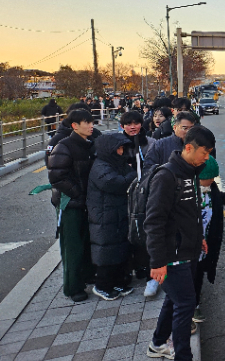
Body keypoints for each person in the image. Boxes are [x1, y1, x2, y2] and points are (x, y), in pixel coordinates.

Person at [144, 125, 215, 361]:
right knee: (186, 304)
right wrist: (157, 262)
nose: (206, 158)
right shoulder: (167, 176)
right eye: (204, 153)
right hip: (171, 255)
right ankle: (183, 358)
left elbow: (190, 212)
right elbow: (153, 221)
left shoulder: (191, 172)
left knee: (175, 299)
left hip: (188, 249)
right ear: (188, 147)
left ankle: (157, 343)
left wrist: (199, 238)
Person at [141, 111, 195, 298]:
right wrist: (166, 177)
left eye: (191, 128)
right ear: (174, 127)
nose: (188, 132)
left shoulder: (196, 147)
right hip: (165, 200)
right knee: (162, 237)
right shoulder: (161, 146)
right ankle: (155, 278)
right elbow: (149, 168)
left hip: (185, 209)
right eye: (184, 128)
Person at [47, 109, 98, 302]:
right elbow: (56, 176)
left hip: (86, 203)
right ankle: (72, 287)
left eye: (92, 122)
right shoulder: (64, 146)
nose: (91, 126)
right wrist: (78, 193)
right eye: (87, 122)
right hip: (71, 205)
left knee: (86, 242)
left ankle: (86, 276)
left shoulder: (88, 145)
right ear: (75, 125)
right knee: (72, 246)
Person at [86, 132, 137, 300]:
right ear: (109, 149)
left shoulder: (116, 163)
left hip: (117, 214)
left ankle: (118, 282)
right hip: (104, 216)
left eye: (123, 148)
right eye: (119, 149)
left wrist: (129, 175)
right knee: (106, 251)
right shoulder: (100, 166)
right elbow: (115, 183)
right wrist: (133, 175)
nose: (122, 152)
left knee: (119, 249)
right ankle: (102, 285)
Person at [120, 110, 155, 281]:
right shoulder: (117, 145)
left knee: (144, 229)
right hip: (124, 194)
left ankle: (145, 267)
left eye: (136, 123)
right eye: (128, 124)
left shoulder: (151, 143)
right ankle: (132, 267)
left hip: (146, 193)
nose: (132, 127)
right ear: (122, 126)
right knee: (129, 231)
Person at [190, 156, 224, 324]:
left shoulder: (211, 190)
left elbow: (223, 198)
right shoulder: (186, 194)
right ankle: (191, 308)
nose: (211, 181)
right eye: (208, 178)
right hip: (190, 246)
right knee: (191, 276)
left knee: (198, 275)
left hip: (205, 244)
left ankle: (194, 303)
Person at [45, 102, 102, 166]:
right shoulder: (58, 139)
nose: (91, 126)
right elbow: (51, 164)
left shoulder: (95, 134)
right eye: (86, 121)